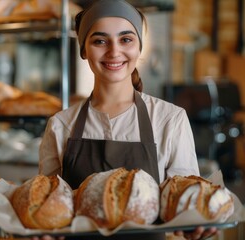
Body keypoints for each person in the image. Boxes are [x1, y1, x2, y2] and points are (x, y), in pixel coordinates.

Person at [37, 0, 219, 239]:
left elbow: (183, 206)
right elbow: (48, 209)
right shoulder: (60, 125)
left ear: (139, 47)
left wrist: (196, 226)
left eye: (126, 39)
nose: (114, 51)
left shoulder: (169, 120)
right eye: (100, 41)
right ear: (83, 49)